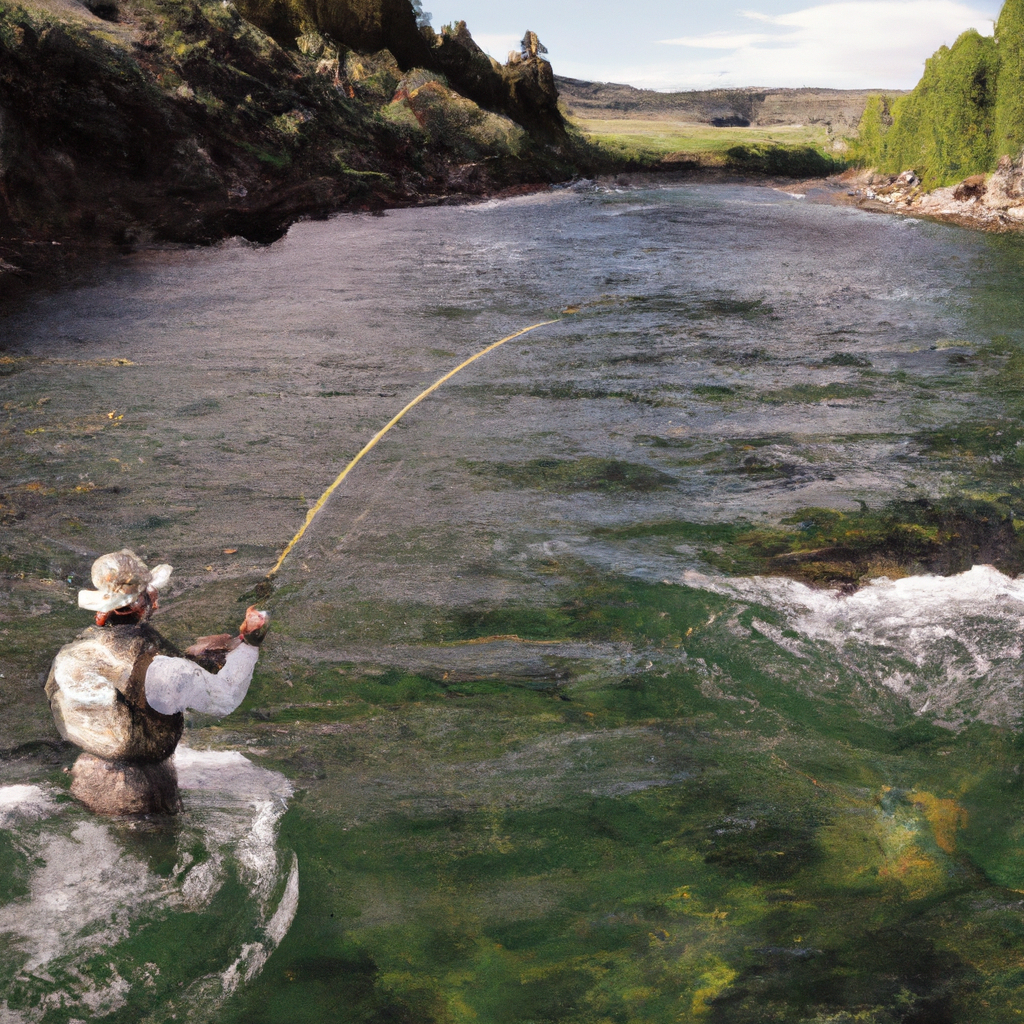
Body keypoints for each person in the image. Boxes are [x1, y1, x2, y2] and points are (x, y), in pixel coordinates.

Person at [45, 549, 269, 813]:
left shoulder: (75, 652)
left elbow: (125, 686)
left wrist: (193, 659)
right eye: (151, 594)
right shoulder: (164, 670)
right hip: (140, 794)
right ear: (138, 603)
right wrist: (250, 642)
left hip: (85, 778)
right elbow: (225, 697)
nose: (157, 602)